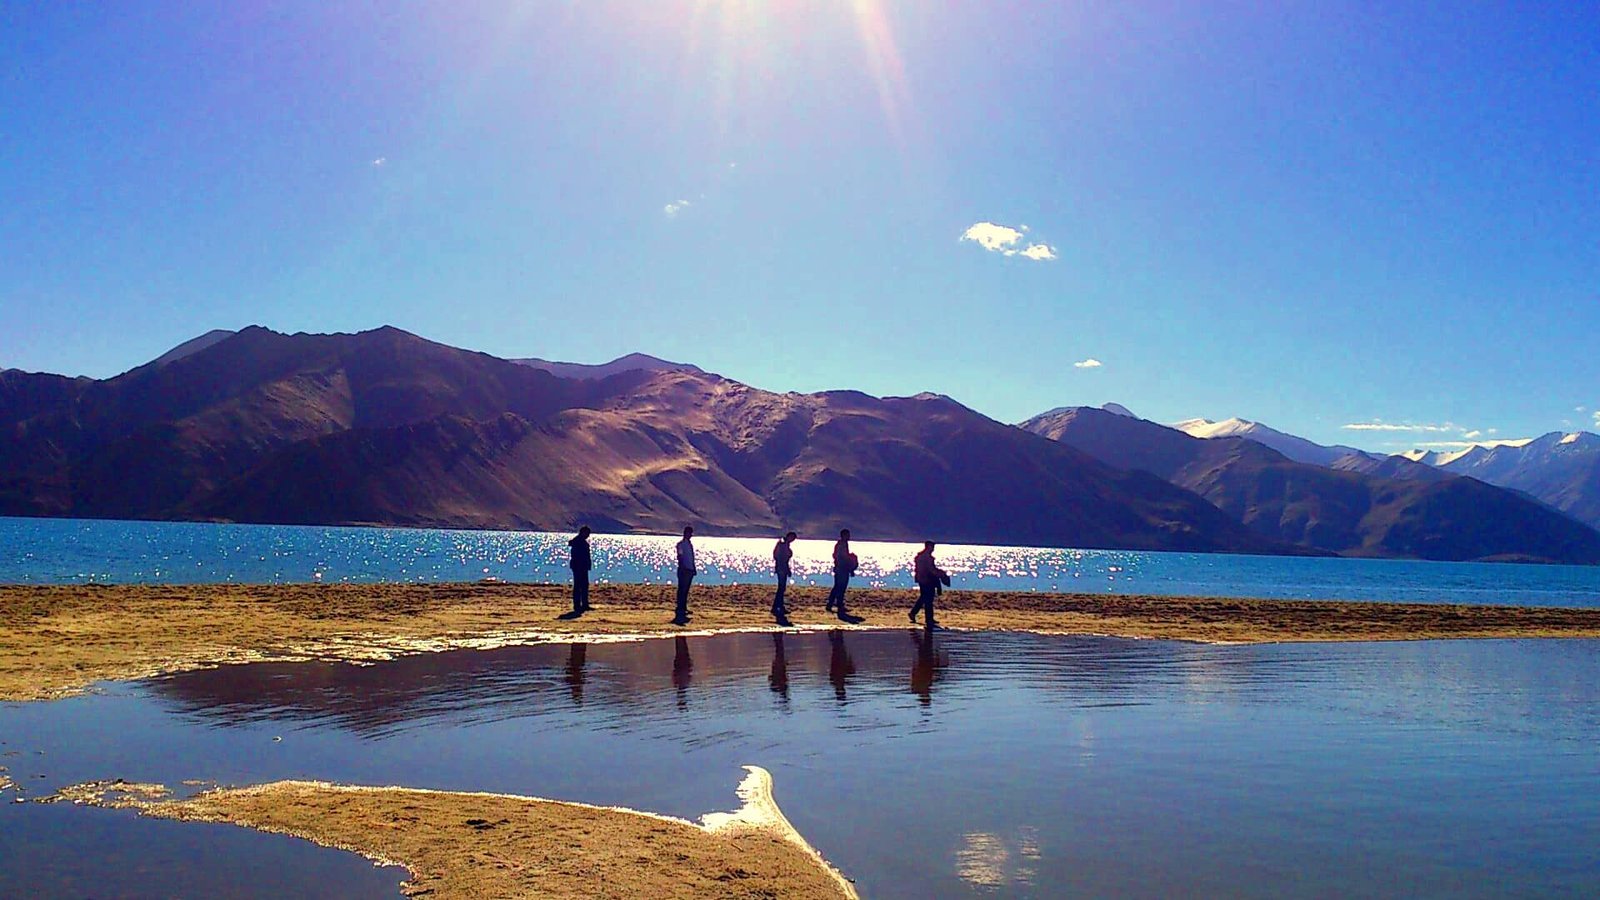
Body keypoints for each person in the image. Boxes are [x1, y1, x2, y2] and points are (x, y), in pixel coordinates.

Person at [824, 528, 862, 622]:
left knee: (838, 587)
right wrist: (849, 566)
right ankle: (836, 605)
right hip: (841, 569)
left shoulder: (843, 544)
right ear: (843, 535)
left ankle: (834, 604)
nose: (849, 537)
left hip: (842, 568)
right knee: (840, 587)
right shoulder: (841, 544)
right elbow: (840, 557)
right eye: (847, 535)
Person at [910, 541, 948, 627]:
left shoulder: (922, 556)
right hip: (926, 580)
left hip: (923, 579)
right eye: (932, 548)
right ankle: (928, 619)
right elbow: (931, 569)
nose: (933, 550)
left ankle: (914, 613)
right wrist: (940, 574)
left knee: (924, 597)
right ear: (928, 547)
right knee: (928, 599)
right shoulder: (926, 557)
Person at [564, 526, 592, 617]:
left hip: (582, 566)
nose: (588, 536)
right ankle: (577, 605)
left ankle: (584, 604)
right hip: (578, 566)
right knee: (578, 586)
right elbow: (578, 555)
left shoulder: (581, 542)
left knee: (584, 585)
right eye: (587, 534)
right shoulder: (578, 542)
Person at [771, 531, 797, 624]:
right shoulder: (782, 544)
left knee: (782, 588)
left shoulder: (784, 544)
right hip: (781, 568)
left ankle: (779, 606)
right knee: (781, 588)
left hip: (782, 567)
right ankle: (777, 607)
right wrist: (786, 568)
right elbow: (781, 558)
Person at [673, 525, 696, 625]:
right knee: (682, 589)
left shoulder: (689, 544)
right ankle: (680, 608)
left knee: (685, 590)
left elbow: (691, 557)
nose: (690, 535)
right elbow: (680, 557)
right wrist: (683, 568)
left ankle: (683, 607)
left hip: (689, 569)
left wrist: (693, 568)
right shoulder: (681, 544)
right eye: (689, 533)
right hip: (684, 569)